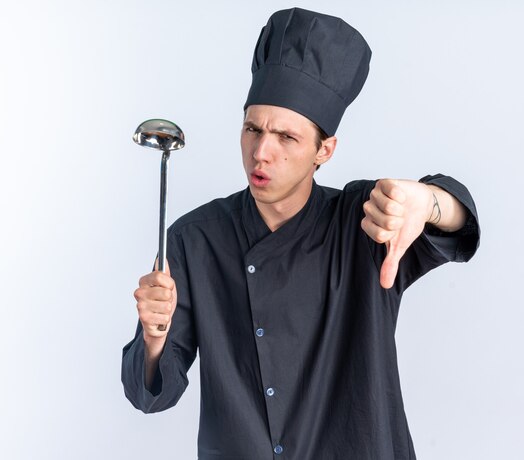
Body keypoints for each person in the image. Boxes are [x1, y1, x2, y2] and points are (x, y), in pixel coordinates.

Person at [122, 7, 480, 460]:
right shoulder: (195, 239)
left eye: (286, 138)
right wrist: (153, 342)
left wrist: (427, 202)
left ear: (323, 150)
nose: (261, 152)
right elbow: (149, 393)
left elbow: (460, 220)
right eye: (252, 128)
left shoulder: (364, 221)